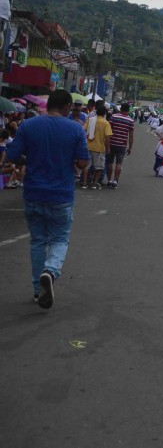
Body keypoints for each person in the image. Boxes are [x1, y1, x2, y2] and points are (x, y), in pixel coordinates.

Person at [4, 90, 89, 309]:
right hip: (61, 195)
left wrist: (32, 159)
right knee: (60, 238)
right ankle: (50, 271)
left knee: (38, 241)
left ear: (49, 104)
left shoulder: (28, 126)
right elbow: (82, 163)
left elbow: (12, 155)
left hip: (33, 192)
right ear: (68, 107)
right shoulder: (75, 129)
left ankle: (36, 291)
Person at [105, 103, 135, 189]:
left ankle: (109, 180)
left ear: (120, 108)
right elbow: (131, 136)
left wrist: (107, 144)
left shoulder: (113, 117)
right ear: (128, 110)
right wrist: (130, 148)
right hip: (122, 144)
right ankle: (115, 181)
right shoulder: (130, 120)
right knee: (119, 163)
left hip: (111, 143)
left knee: (110, 162)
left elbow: (108, 130)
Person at [83, 104, 112, 190]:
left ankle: (84, 183)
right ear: (104, 113)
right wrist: (108, 148)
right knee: (98, 167)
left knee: (86, 166)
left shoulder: (90, 120)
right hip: (99, 148)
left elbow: (83, 130)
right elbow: (107, 138)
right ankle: (95, 183)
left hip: (88, 146)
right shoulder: (106, 123)